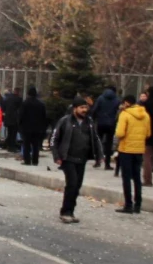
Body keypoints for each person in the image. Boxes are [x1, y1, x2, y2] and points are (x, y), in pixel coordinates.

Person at [51, 95, 102, 224]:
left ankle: (71, 211)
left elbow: (95, 139)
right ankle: (65, 212)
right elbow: (54, 139)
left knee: (77, 186)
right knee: (72, 184)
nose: (84, 110)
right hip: (68, 158)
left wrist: (99, 155)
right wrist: (57, 156)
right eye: (81, 107)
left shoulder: (89, 123)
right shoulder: (65, 121)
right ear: (75, 109)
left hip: (82, 158)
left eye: (86, 107)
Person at [114, 94, 149, 214]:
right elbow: (148, 133)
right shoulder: (145, 115)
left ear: (127, 103)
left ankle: (128, 204)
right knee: (137, 177)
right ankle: (138, 204)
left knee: (126, 178)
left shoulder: (125, 114)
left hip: (126, 149)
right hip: (139, 149)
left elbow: (119, 133)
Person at [92, 86, 120, 170]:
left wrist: (94, 118)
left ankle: (97, 161)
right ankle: (107, 164)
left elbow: (95, 110)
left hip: (100, 123)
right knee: (109, 144)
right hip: (111, 124)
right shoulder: (117, 100)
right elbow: (118, 111)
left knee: (99, 141)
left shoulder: (100, 98)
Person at [19, 87, 48, 166]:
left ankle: (27, 160)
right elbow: (44, 117)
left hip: (26, 128)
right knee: (36, 145)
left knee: (26, 145)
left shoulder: (25, 103)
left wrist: (20, 126)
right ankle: (35, 160)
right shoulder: (41, 104)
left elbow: (21, 116)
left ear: (28, 93)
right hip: (37, 129)